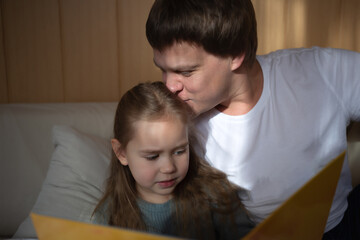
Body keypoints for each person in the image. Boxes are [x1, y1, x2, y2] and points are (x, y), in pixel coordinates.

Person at [145, 0, 360, 239]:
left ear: (235, 54)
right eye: (162, 69)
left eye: (185, 72)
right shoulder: (175, 115)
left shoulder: (321, 72)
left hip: (339, 226)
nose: (169, 86)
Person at [92, 81, 254, 239]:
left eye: (179, 151)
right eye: (153, 156)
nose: (169, 167)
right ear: (121, 153)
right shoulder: (109, 215)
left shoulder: (216, 196)